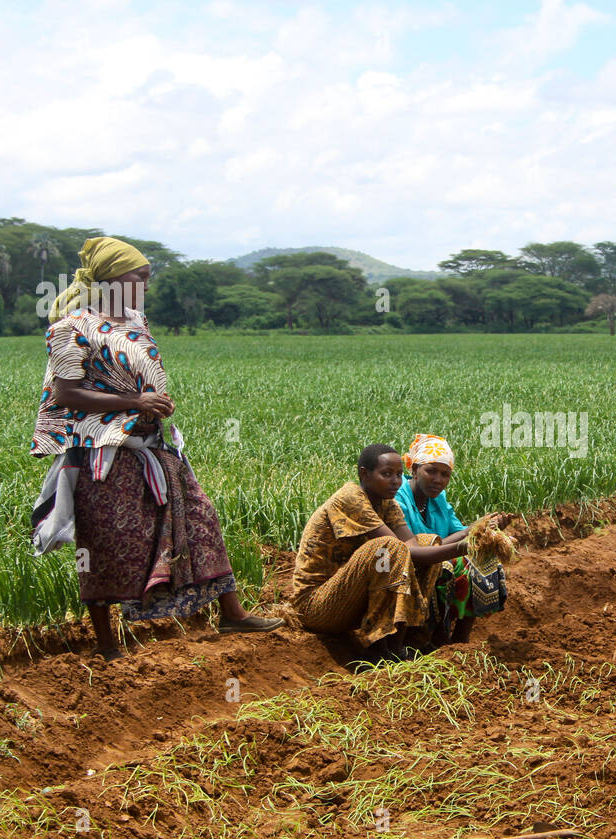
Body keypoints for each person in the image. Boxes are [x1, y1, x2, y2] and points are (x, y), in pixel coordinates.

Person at [31, 237, 282, 661]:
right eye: (139, 276)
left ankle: (232, 612)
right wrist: (135, 402)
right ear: (111, 278)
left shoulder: (136, 320)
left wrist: (153, 402)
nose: (147, 284)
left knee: (200, 519)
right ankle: (107, 644)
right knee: (105, 544)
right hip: (102, 453)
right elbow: (66, 393)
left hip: (153, 445)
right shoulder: (69, 328)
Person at [291, 444, 468, 663]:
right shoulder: (350, 498)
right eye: (386, 474)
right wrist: (464, 546)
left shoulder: (387, 504)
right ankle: (378, 650)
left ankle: (401, 645)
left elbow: (414, 547)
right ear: (364, 474)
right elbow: (400, 549)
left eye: (397, 475)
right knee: (389, 548)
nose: (395, 481)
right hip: (315, 606)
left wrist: (468, 538)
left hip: (349, 600)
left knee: (426, 541)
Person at [393, 434, 513, 645]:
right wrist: (473, 530)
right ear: (414, 470)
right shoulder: (398, 498)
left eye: (445, 474)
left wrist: (485, 528)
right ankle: (431, 638)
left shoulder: (438, 499)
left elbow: (460, 530)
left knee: (483, 559)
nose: (438, 479)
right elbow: (416, 549)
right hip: (407, 569)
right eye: (431, 471)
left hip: (434, 563)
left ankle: (460, 638)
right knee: (448, 567)